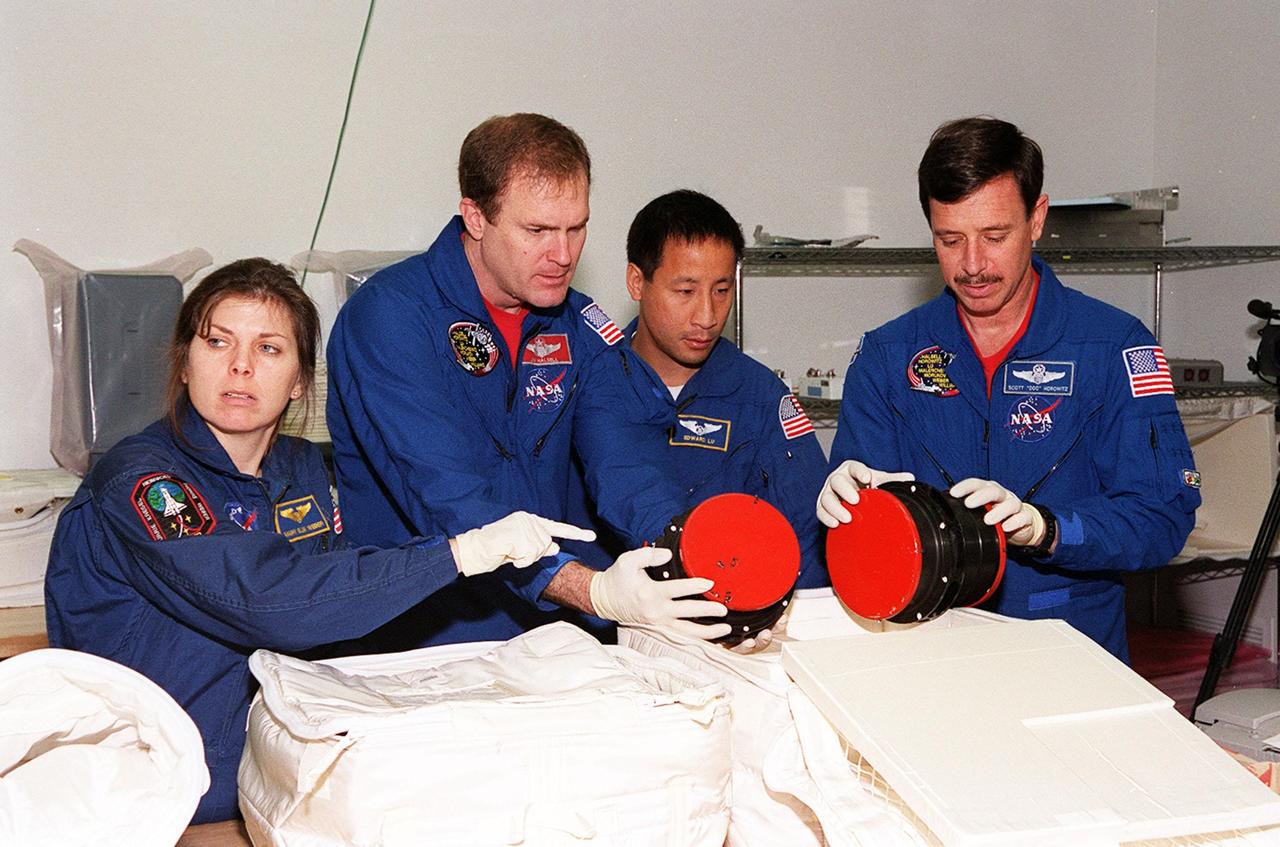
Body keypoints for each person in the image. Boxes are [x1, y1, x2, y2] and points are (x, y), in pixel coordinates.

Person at [44, 258, 595, 823]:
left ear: (301, 378)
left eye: (268, 349)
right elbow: (263, 598)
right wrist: (459, 552)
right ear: (185, 361)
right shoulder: (143, 480)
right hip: (159, 792)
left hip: (269, 774)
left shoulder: (301, 467)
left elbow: (337, 588)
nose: (239, 367)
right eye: (216, 342)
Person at [326, 114, 729, 649]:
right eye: (537, 231)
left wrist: (699, 569)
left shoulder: (578, 325)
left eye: (576, 228)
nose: (562, 256)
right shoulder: (391, 317)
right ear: (475, 217)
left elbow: (626, 462)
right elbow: (449, 496)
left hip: (548, 635)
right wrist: (592, 591)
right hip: (423, 638)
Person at [817, 117, 1200, 661]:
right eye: (950, 240)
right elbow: (868, 537)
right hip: (925, 654)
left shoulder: (1112, 347)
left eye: (994, 237)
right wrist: (846, 506)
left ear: (1037, 218)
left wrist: (1047, 529)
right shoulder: (889, 355)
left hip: (1070, 656)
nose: (972, 265)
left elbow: (1162, 517)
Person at [571, 190, 830, 609]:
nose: (707, 316)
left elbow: (807, 535)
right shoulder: (589, 381)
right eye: (686, 291)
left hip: (728, 627)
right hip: (601, 633)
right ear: (637, 281)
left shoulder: (760, 397)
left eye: (722, 290)